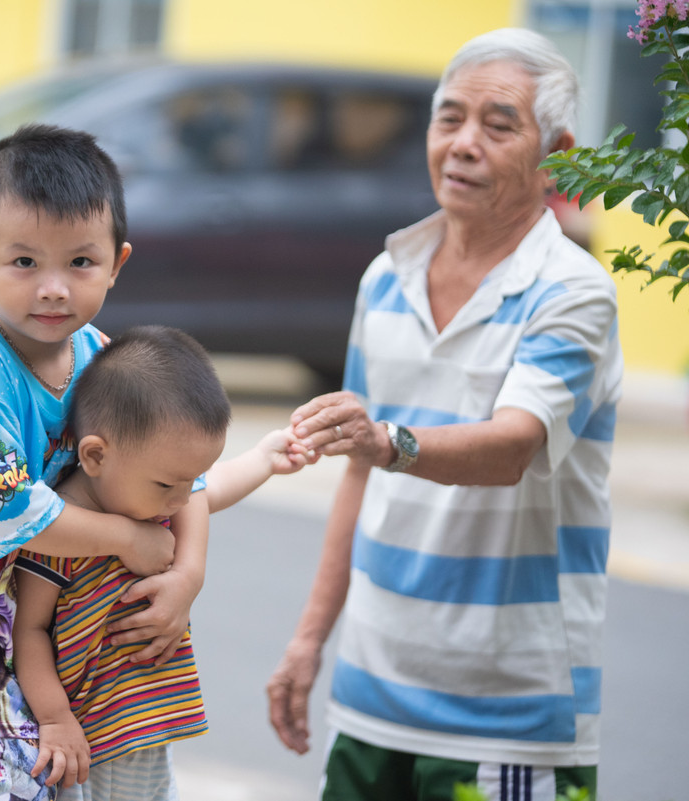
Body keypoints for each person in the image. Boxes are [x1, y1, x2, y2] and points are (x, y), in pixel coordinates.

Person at [265, 28, 624, 801]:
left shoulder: (573, 291)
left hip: (507, 715)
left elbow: (512, 447)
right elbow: (359, 473)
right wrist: (308, 639)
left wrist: (387, 440)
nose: (463, 143)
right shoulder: (384, 278)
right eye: (449, 117)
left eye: (499, 124)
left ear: (556, 155)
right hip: (370, 692)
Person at [0, 124, 206, 801]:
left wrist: (188, 573)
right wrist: (127, 538)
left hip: (68, 644)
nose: (54, 289)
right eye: (25, 262)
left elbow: (184, 470)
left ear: (117, 263)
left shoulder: (103, 357)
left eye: (80, 262)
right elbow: (7, 511)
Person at [12, 324, 313, 801]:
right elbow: (27, 631)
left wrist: (265, 458)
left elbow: (212, 487)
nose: (182, 499)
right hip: (92, 737)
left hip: (149, 728)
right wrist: (54, 719)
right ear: (95, 456)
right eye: (169, 484)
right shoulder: (62, 532)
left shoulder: (150, 498)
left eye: (190, 480)